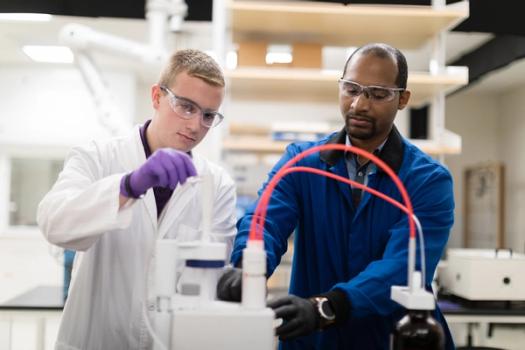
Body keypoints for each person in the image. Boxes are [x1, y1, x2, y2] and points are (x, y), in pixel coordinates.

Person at [217, 43, 455, 349]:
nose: (359, 105)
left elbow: (403, 267)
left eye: (378, 94)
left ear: (402, 99)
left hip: (393, 338)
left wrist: (330, 306)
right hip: (314, 339)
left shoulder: (427, 180)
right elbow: (266, 220)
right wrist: (248, 265)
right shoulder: (302, 161)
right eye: (351, 89)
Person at [38, 49, 237, 350]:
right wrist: (128, 186)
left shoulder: (217, 185)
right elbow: (54, 223)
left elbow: (209, 281)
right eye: (185, 106)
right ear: (157, 97)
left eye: (208, 115)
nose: (196, 125)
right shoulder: (98, 157)